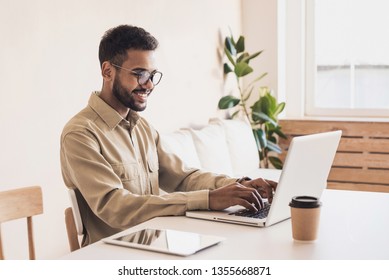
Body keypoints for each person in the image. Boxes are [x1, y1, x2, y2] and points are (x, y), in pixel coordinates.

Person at [60, 25, 277, 246]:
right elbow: (115, 206)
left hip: (156, 251)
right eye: (140, 74)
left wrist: (239, 186)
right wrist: (209, 200)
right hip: (112, 257)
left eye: (152, 75)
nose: (149, 84)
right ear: (108, 71)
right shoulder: (80, 134)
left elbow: (183, 177)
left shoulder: (142, 127)